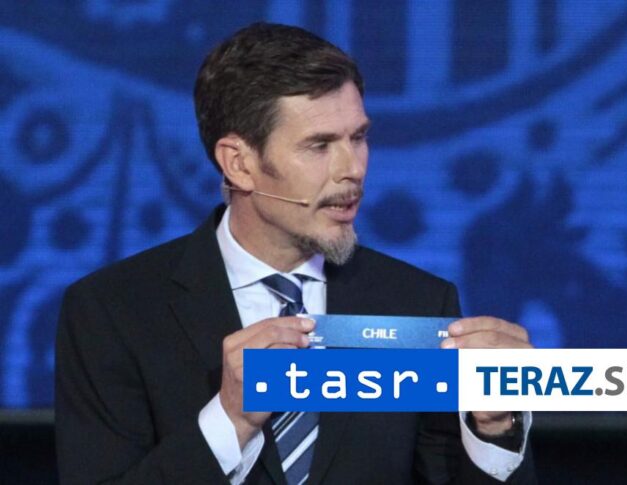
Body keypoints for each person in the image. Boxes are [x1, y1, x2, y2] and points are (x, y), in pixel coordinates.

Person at [55, 22, 536, 484]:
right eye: (319, 145)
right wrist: (230, 422)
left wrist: (494, 428)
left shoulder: (417, 303)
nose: (352, 169)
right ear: (239, 164)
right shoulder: (112, 312)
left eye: (358, 137)